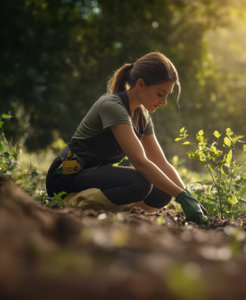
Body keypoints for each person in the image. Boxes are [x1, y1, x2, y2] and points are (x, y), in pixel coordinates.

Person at [46, 52, 207, 224]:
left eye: (167, 95)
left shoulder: (142, 116)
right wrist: (182, 197)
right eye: (160, 94)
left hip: (94, 176)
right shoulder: (111, 106)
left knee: (162, 192)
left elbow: (162, 163)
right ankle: (68, 203)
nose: (164, 102)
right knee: (141, 182)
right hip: (66, 177)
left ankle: (119, 216)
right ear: (140, 84)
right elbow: (140, 162)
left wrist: (188, 195)